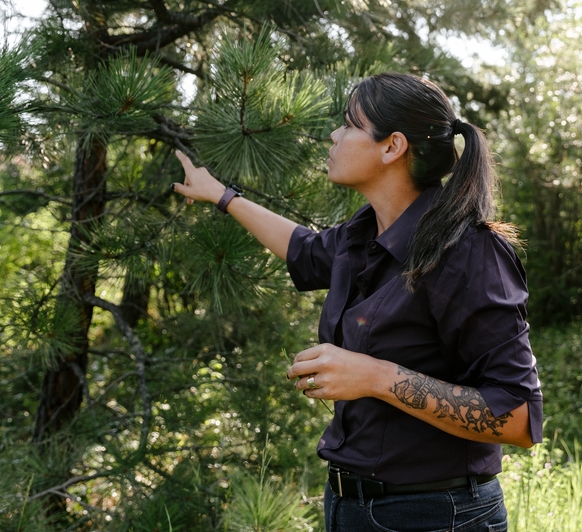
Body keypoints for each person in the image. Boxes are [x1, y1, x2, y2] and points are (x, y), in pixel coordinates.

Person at [172, 72, 542, 532]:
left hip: (436, 515)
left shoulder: (468, 252)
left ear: (392, 147)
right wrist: (223, 196)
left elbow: (517, 418)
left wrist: (374, 376)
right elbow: (304, 249)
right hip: (348, 506)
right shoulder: (363, 233)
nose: (334, 134)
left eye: (349, 123)